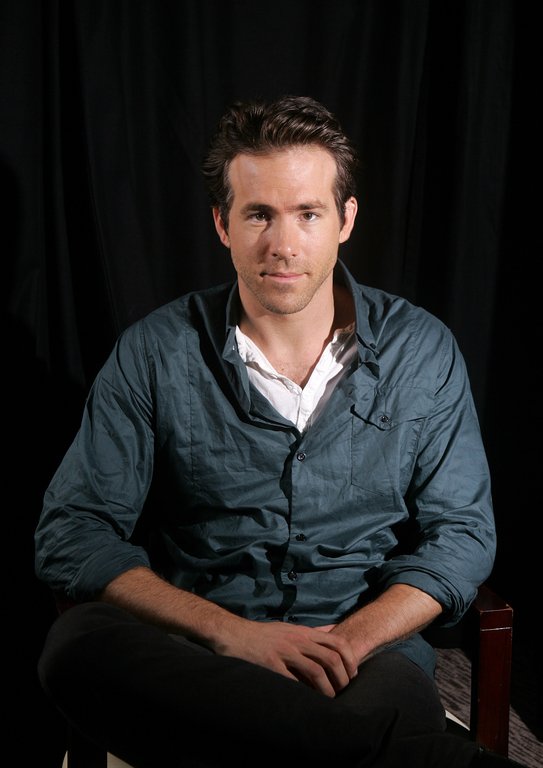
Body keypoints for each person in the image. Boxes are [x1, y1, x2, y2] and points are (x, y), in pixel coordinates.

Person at [34, 95, 524, 768]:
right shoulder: (154, 351)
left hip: (365, 658)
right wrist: (233, 635)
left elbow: (462, 535)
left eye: (307, 214)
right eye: (258, 213)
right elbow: (71, 531)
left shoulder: (421, 350)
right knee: (76, 647)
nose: (283, 244)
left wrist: (348, 641)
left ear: (346, 220)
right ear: (222, 223)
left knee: (371, 715)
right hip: (202, 656)